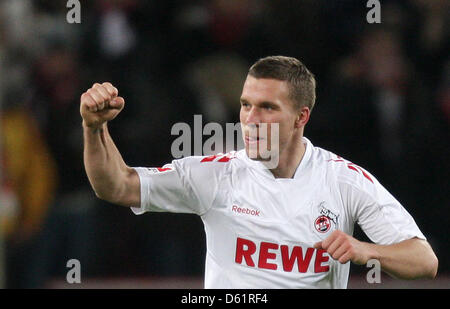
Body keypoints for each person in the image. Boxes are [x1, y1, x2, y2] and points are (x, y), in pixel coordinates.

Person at [80, 56, 438, 288]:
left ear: (301, 117)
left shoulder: (343, 181)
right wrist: (94, 129)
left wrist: (366, 250)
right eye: (246, 105)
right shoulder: (216, 175)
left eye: (267, 107)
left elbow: (424, 261)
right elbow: (117, 186)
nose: (251, 119)